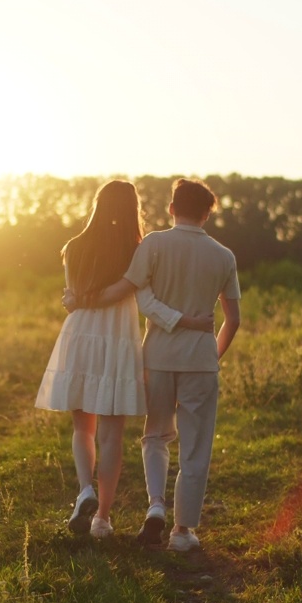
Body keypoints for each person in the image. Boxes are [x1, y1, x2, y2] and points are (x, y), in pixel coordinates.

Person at [35, 180, 214, 539]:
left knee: (82, 427)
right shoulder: (137, 249)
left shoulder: (73, 247)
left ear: (97, 205)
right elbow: (127, 293)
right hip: (116, 339)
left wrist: (80, 301)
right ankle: (102, 518)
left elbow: (74, 295)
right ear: (132, 209)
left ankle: (85, 489)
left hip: (80, 336)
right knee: (112, 434)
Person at [70, 178, 241, 552]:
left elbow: (137, 295)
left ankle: (156, 506)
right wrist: (212, 352)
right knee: (196, 447)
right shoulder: (224, 256)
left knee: (155, 437)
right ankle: (182, 532)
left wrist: (81, 298)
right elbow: (233, 319)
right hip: (201, 360)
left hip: (157, 357)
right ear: (207, 213)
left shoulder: (154, 244)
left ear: (171, 209)